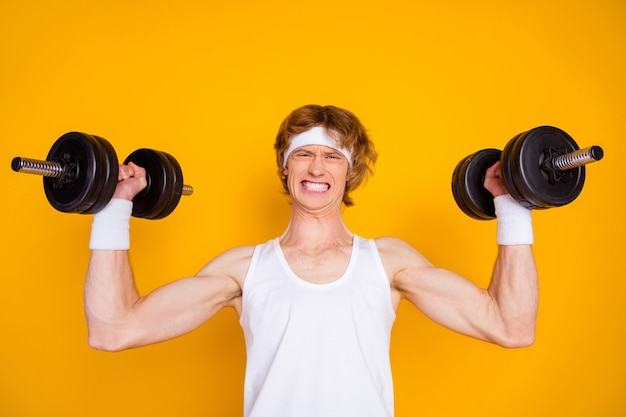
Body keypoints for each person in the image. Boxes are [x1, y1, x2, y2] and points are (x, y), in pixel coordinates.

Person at [85, 104, 538, 417]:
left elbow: (511, 327)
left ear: (350, 170)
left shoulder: (389, 262)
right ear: (286, 166)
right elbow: (114, 330)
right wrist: (114, 208)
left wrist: (512, 207)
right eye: (303, 153)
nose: (317, 168)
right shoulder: (243, 270)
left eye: (332, 156)